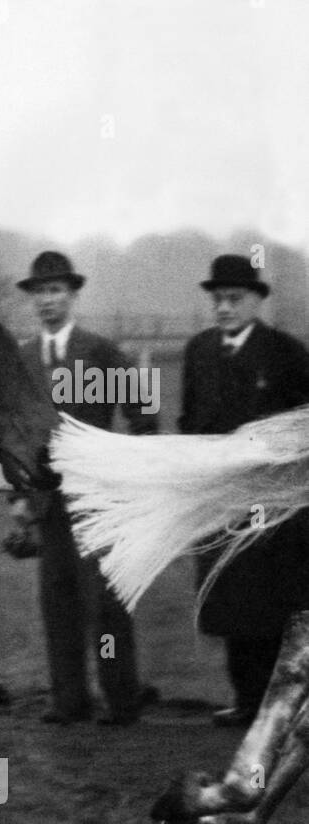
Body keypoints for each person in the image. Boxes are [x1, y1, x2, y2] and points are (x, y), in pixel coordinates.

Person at [12, 251, 158, 725]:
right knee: (58, 600)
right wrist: (18, 496)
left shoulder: (99, 352)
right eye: (40, 292)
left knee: (106, 604)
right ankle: (68, 700)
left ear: (73, 295)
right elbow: (13, 432)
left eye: (56, 290)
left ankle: (121, 700)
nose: (47, 300)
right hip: (47, 501)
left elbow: (143, 415)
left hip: (96, 498)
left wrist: (131, 476)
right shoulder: (24, 357)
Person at [179, 254, 309, 727]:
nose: (224, 308)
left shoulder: (286, 353)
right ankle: (247, 700)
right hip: (220, 499)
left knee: (271, 606)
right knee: (229, 602)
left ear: (256, 301)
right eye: (217, 300)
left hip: (272, 503)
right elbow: (190, 421)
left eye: (233, 299)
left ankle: (277, 707)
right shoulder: (198, 351)